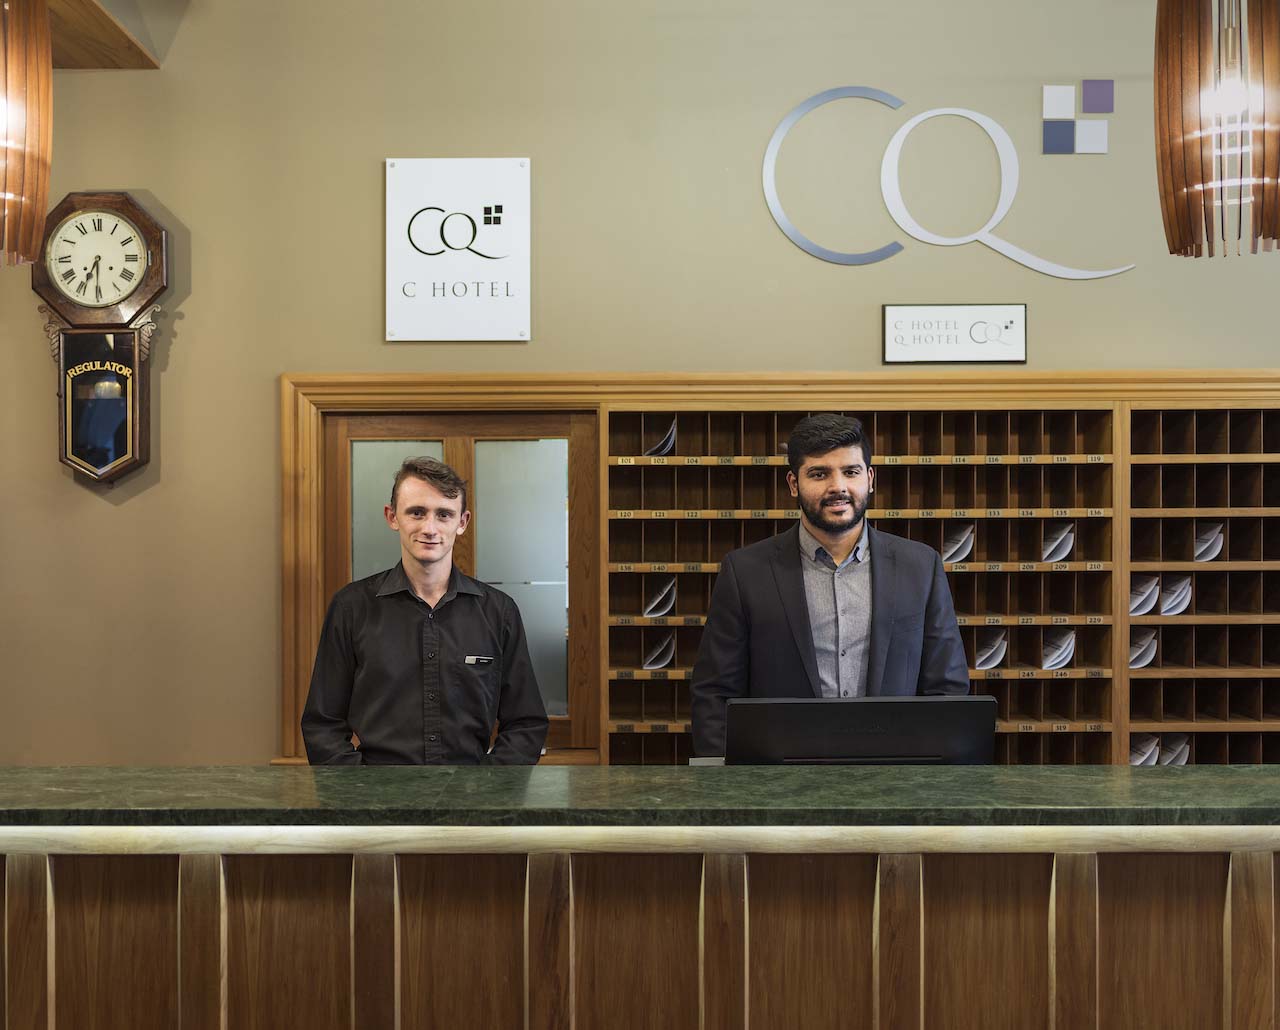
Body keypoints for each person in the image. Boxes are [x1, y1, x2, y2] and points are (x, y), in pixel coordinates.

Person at [690, 413, 969, 756]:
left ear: (869, 479)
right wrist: (725, 778)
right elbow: (714, 694)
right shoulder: (745, 572)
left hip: (894, 772)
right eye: (819, 474)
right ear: (794, 484)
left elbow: (948, 688)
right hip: (780, 776)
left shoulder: (921, 567)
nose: (838, 487)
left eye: (850, 472)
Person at [302, 456, 548, 764]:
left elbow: (526, 725)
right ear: (392, 517)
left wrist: (488, 785)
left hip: (473, 792)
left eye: (444, 514)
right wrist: (361, 788)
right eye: (417, 512)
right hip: (377, 792)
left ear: (462, 522)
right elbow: (322, 726)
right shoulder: (350, 608)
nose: (430, 528)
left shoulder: (499, 612)